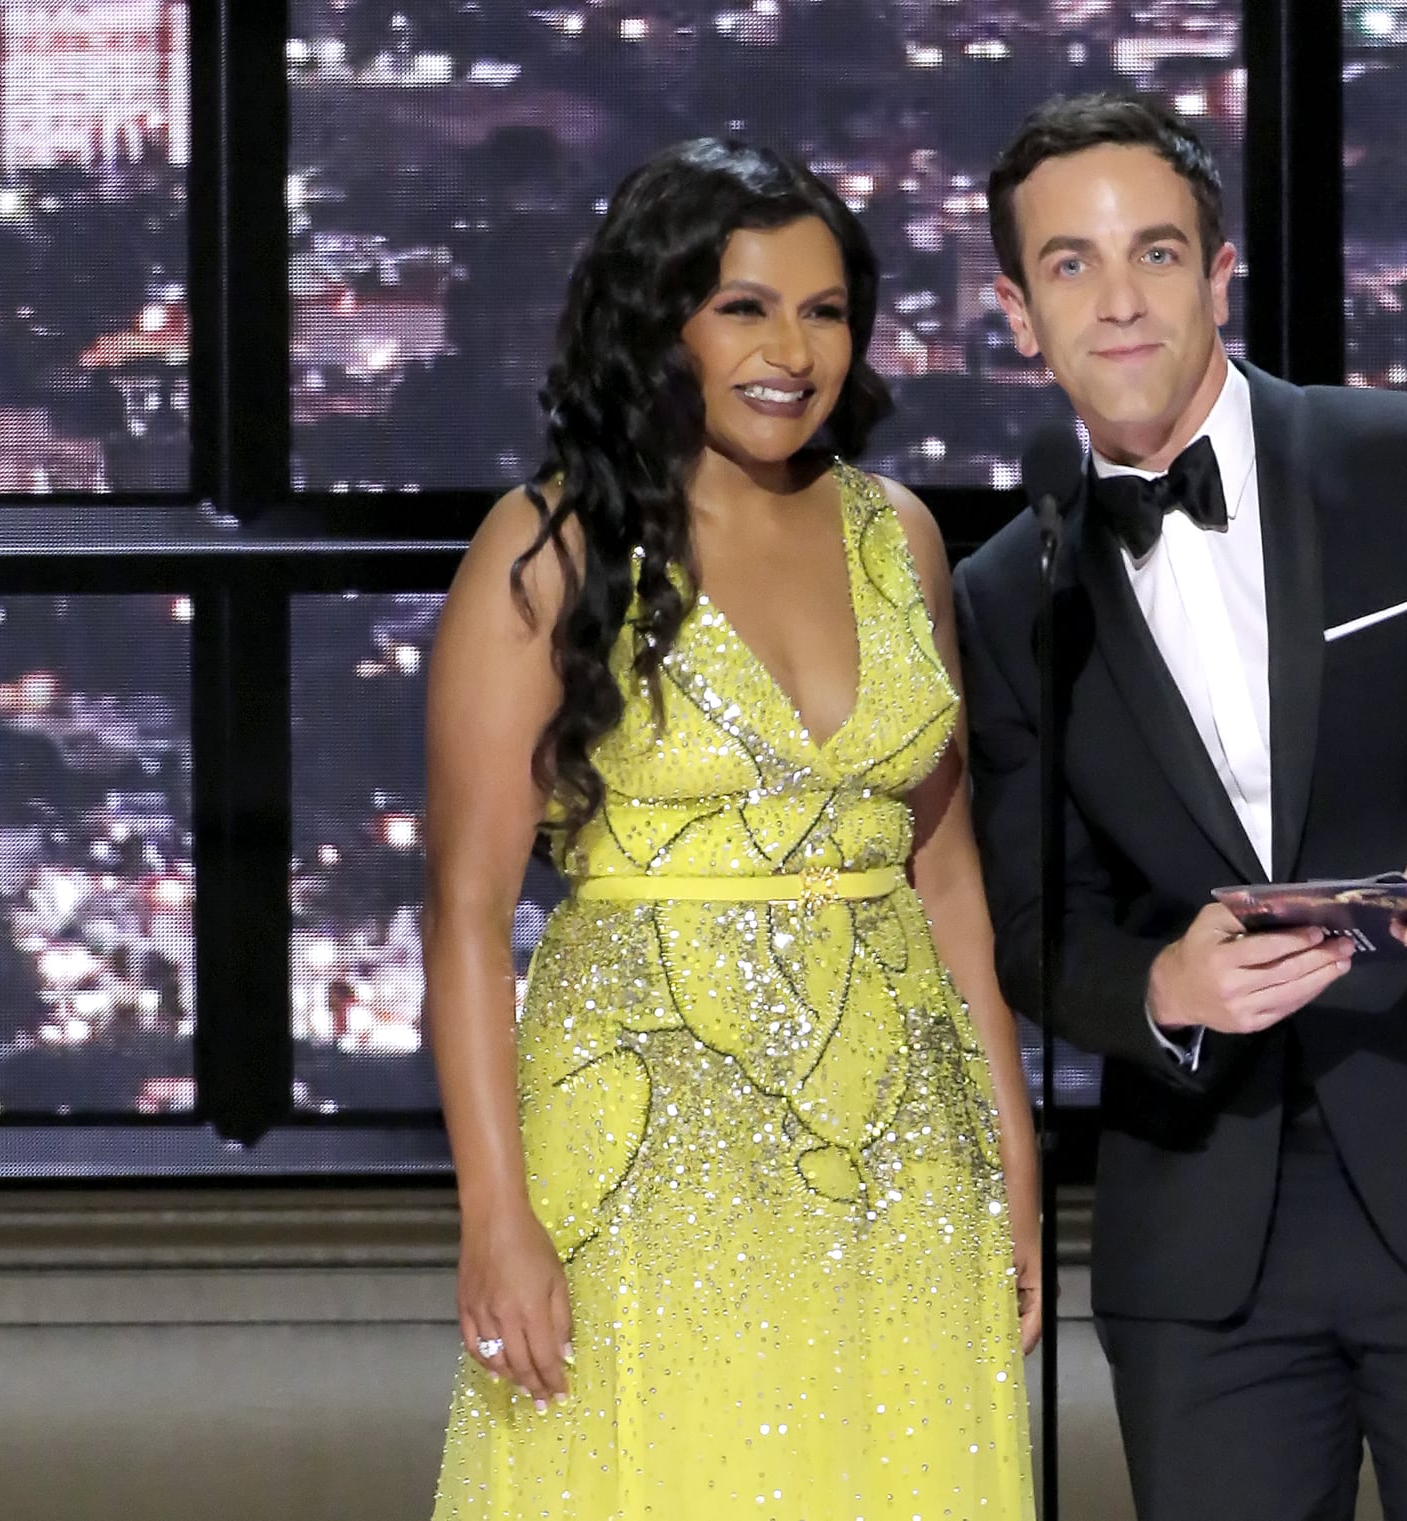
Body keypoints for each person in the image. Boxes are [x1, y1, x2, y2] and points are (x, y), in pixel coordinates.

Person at [953, 94, 1407, 1521]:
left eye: (1155, 254)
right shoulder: (1003, 592)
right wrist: (1161, 980)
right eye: (1070, 265)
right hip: (1203, 1227)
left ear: (1221, 271)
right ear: (1016, 312)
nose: (1118, 303)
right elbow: (1031, 920)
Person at [423, 139, 1038, 1520]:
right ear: (662, 322)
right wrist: (494, 1216)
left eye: (825, 310)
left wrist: (1012, 1152)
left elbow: (945, 873)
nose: (792, 348)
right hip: (642, 1159)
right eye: (745, 306)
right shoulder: (548, 548)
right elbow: (464, 916)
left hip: (905, 1147)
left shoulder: (904, 537)